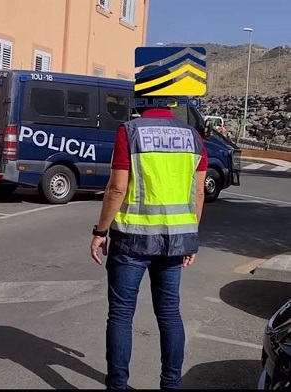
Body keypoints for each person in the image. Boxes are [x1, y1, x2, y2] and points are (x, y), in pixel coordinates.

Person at [89, 69, 208, 389]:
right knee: (170, 314)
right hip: (175, 243)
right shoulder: (192, 136)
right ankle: (171, 385)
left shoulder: (129, 131)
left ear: (141, 96)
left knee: (121, 315)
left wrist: (100, 232)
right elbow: (198, 193)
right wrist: (190, 238)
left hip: (131, 241)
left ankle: (118, 385)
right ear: (170, 98)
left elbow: (116, 189)